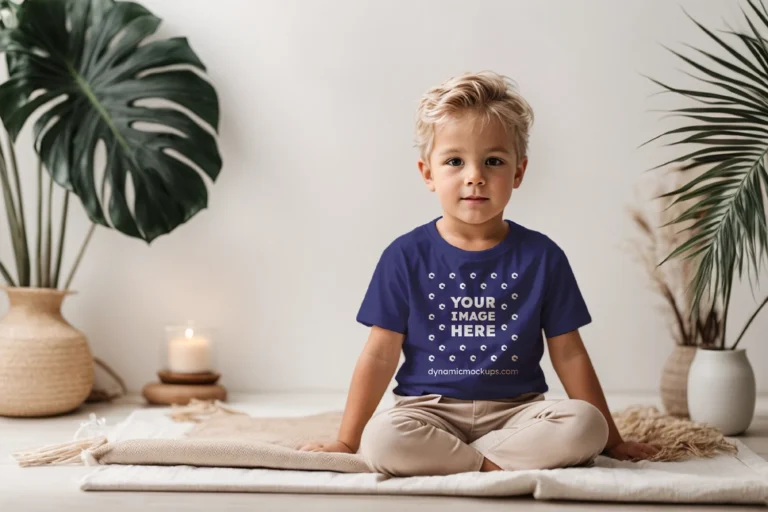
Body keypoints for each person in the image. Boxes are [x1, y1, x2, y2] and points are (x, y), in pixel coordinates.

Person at [299, 71, 659, 476]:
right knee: (382, 439)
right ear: (428, 173)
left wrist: (612, 439)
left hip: (517, 414)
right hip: (429, 413)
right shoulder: (404, 256)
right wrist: (347, 441)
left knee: (584, 425)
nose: (475, 175)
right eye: (455, 161)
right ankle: (496, 464)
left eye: (493, 161)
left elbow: (570, 352)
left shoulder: (543, 256)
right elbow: (380, 353)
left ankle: (459, 462)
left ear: (518, 173)